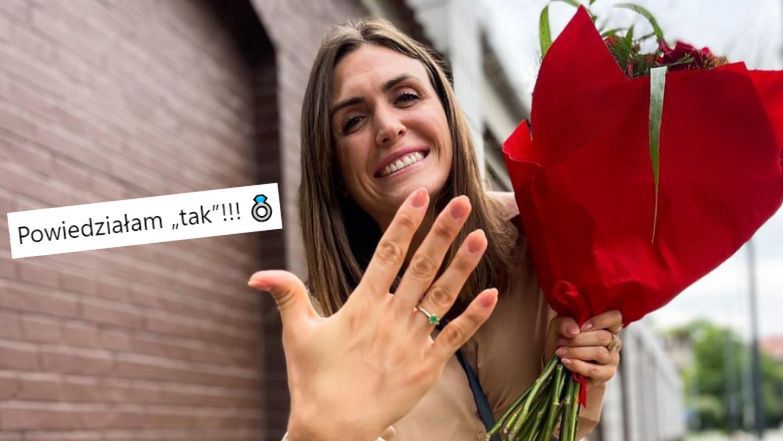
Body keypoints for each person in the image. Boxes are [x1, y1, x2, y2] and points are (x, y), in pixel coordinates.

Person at [248, 18, 623, 441]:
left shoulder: (544, 232)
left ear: (447, 113)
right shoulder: (327, 320)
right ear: (334, 169)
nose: (388, 127)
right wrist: (315, 435)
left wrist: (585, 366)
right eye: (353, 121)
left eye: (406, 97)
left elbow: (562, 429)